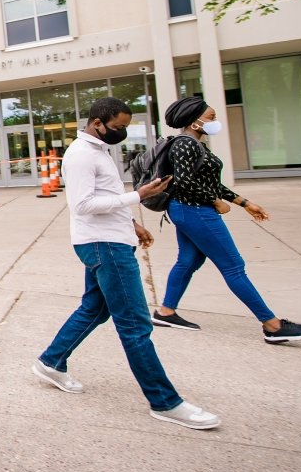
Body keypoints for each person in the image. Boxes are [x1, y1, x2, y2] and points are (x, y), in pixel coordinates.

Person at [32, 97, 220, 430]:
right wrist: (140, 196)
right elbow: (83, 205)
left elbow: (105, 198)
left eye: (124, 127)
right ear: (97, 122)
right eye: (117, 127)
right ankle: (165, 402)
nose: (121, 132)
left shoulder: (99, 152)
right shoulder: (81, 155)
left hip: (111, 240)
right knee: (135, 324)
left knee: (95, 309)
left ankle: (51, 362)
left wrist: (132, 224)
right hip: (104, 247)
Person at [151, 96, 301, 344]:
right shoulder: (185, 145)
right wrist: (215, 201)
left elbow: (210, 183)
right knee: (233, 266)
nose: (215, 121)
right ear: (194, 121)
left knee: (188, 261)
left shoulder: (195, 144)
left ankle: (165, 312)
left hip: (189, 210)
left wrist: (244, 203)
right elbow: (185, 182)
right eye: (211, 117)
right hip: (195, 210)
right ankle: (272, 326)